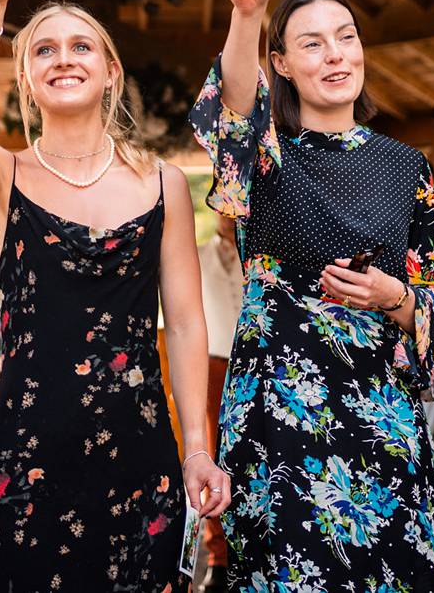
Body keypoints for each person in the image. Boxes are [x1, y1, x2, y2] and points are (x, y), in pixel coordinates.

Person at [0, 0, 228, 593]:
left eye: (81, 47)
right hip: (27, 457)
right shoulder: (0, 179)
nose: (63, 57)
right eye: (44, 51)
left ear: (110, 73)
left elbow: (185, 325)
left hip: (141, 458)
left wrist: (196, 448)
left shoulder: (165, 186)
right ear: (26, 80)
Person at [190, 0, 434, 593]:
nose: (336, 53)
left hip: (381, 410)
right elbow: (228, 116)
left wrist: (393, 295)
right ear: (280, 63)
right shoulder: (262, 157)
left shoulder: (407, 165)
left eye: (345, 36)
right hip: (278, 421)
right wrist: (247, 12)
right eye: (313, 43)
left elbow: (433, 299)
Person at [195, 213, 243, 593]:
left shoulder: (258, 255)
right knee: (212, 455)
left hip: (251, 364)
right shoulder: (194, 256)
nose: (228, 217)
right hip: (210, 364)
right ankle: (217, 556)